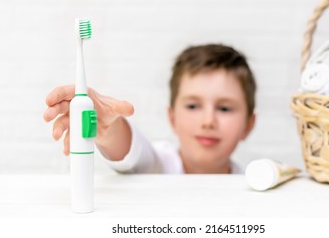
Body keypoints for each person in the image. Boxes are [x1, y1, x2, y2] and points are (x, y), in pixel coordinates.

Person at [43, 44, 257, 174]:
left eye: (225, 108)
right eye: (193, 106)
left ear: (248, 125)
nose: (208, 121)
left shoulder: (252, 184)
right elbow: (136, 154)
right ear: (172, 118)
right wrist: (109, 130)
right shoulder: (159, 165)